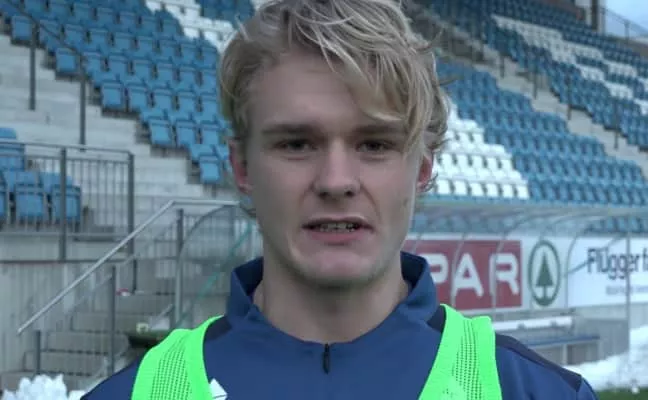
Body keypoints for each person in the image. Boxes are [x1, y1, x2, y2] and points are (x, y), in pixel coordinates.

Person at [83, 0, 599, 398]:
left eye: (374, 144)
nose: (336, 181)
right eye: (296, 144)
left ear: (422, 168)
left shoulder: (536, 392)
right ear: (242, 168)